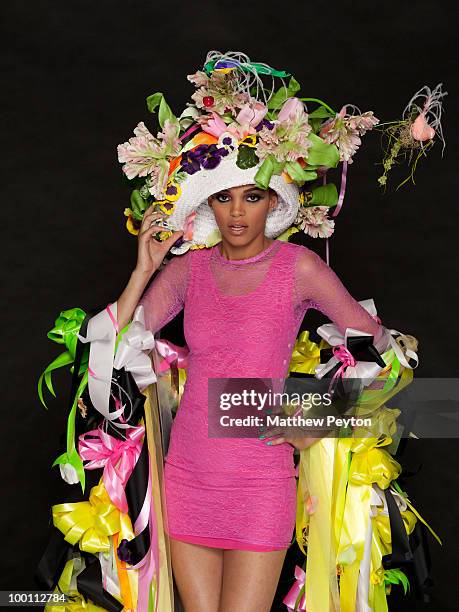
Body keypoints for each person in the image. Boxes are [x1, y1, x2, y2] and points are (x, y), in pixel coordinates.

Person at [39, 51, 439, 612]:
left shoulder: (297, 267)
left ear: (273, 200)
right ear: (207, 205)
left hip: (260, 484)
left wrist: (314, 426)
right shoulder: (188, 270)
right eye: (223, 197)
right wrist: (143, 270)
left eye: (251, 195)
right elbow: (113, 344)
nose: (236, 213)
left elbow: (383, 354)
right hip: (187, 478)